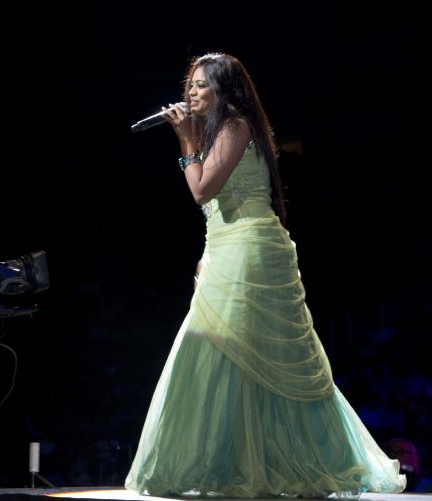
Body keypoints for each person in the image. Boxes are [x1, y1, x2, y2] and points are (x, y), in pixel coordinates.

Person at [124, 53, 406, 498]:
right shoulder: (219, 130)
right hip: (225, 248)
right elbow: (214, 212)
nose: (191, 92)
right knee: (221, 354)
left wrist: (185, 141)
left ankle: (278, 461)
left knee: (244, 351)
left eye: (201, 85)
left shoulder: (235, 125)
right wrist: (206, 257)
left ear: (224, 89)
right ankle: (231, 461)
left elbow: (202, 191)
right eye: (189, 84)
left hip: (251, 250)